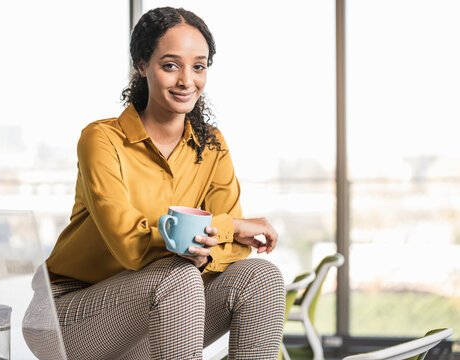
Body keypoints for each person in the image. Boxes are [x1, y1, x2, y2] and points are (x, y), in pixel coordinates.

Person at [23, 7, 285, 360]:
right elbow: (130, 245)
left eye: (199, 66)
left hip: (163, 308)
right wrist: (230, 226)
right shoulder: (101, 139)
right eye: (170, 65)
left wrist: (222, 235)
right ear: (142, 65)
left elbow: (232, 249)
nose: (186, 80)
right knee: (178, 275)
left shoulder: (212, 145)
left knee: (262, 278)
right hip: (65, 316)